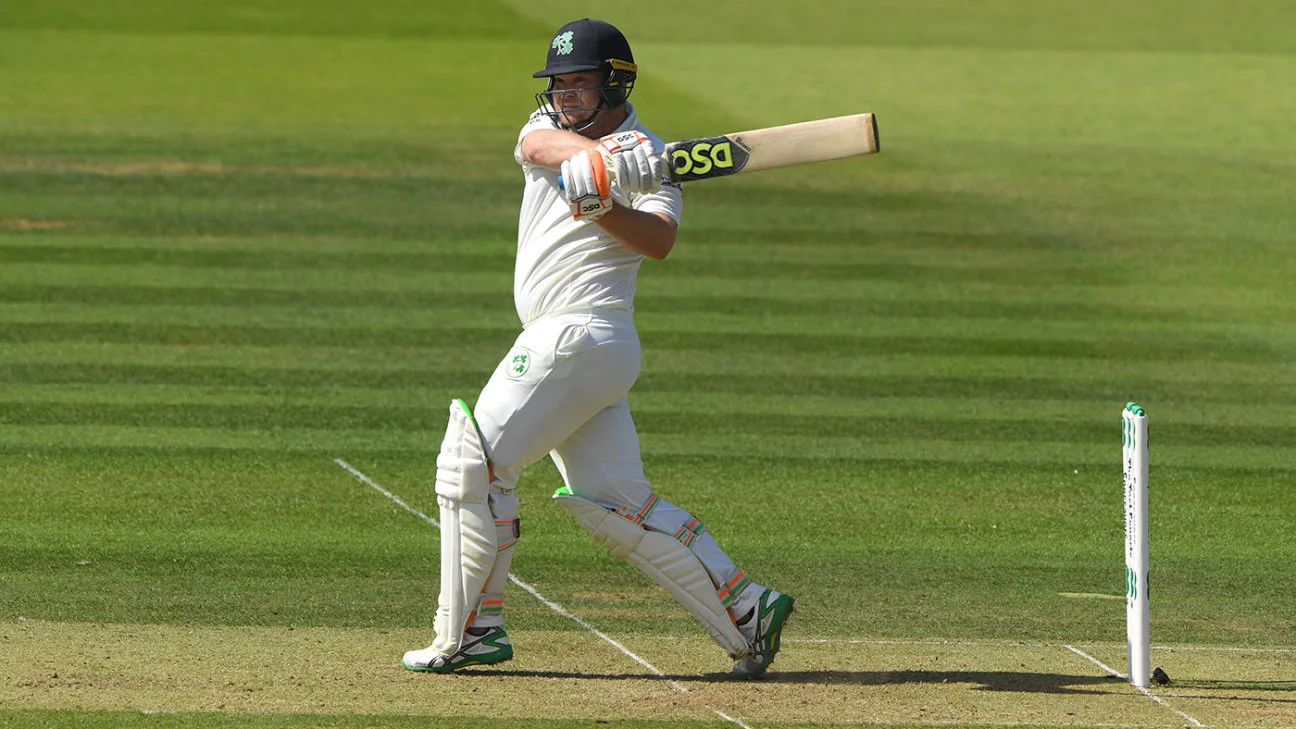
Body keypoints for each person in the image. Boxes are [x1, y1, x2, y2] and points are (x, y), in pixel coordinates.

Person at [401, 18, 794, 679]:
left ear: (617, 82)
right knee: (616, 501)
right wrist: (596, 164)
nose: (565, 95)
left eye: (580, 83)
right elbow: (539, 149)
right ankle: (746, 607)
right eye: (559, 83)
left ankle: (468, 631)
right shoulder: (546, 130)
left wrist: (605, 203)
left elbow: (660, 240)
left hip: (580, 335)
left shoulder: (652, 156)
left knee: (472, 465)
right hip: (582, 348)